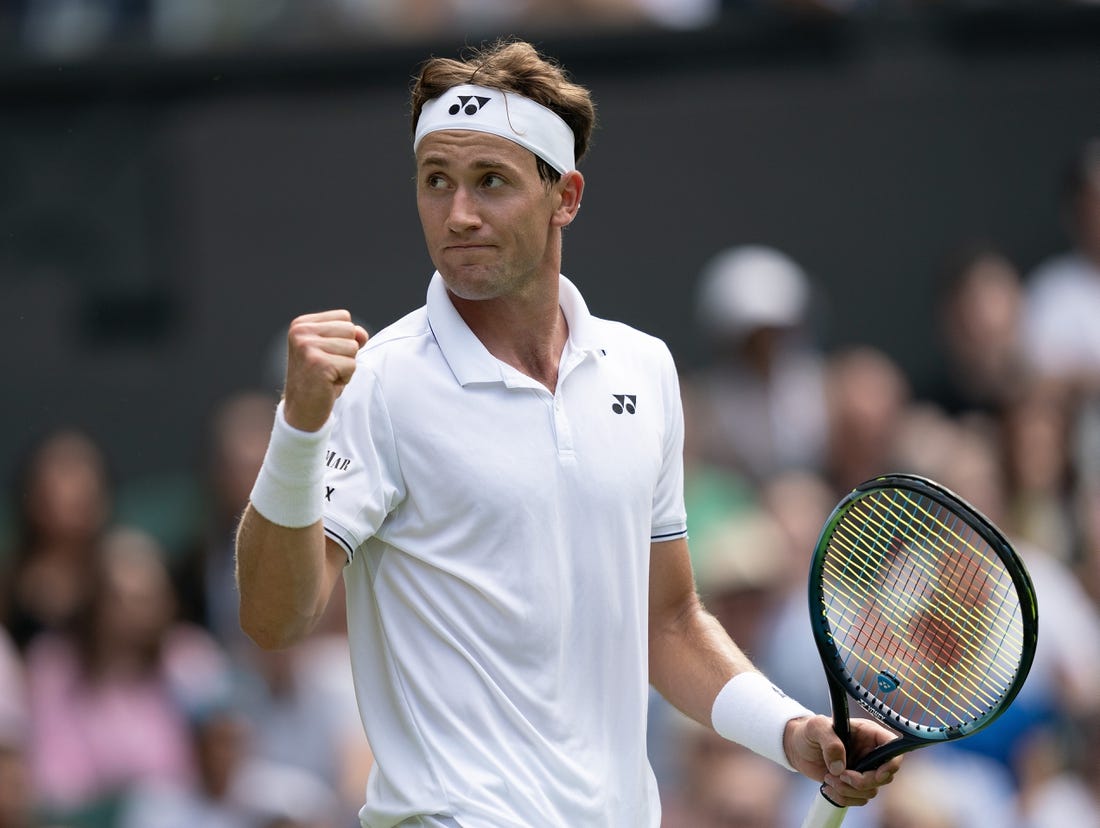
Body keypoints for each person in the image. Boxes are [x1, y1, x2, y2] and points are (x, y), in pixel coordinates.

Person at [235, 38, 901, 828]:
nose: (459, 215)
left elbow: (668, 621)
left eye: (492, 183)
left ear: (566, 196)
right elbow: (273, 618)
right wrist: (298, 427)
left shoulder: (642, 370)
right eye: (435, 182)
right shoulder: (381, 382)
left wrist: (789, 731)